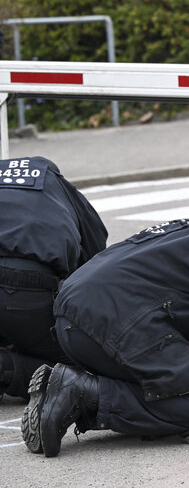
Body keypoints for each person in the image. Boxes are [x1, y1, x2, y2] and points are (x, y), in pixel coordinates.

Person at [21, 218, 189, 457]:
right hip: (118, 319)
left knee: (175, 386)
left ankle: (61, 396)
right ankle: (81, 392)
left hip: (72, 317)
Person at [0, 157, 106, 405]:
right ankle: (8, 367)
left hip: (25, 290)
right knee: (86, 367)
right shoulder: (54, 183)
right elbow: (97, 254)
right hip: (29, 290)